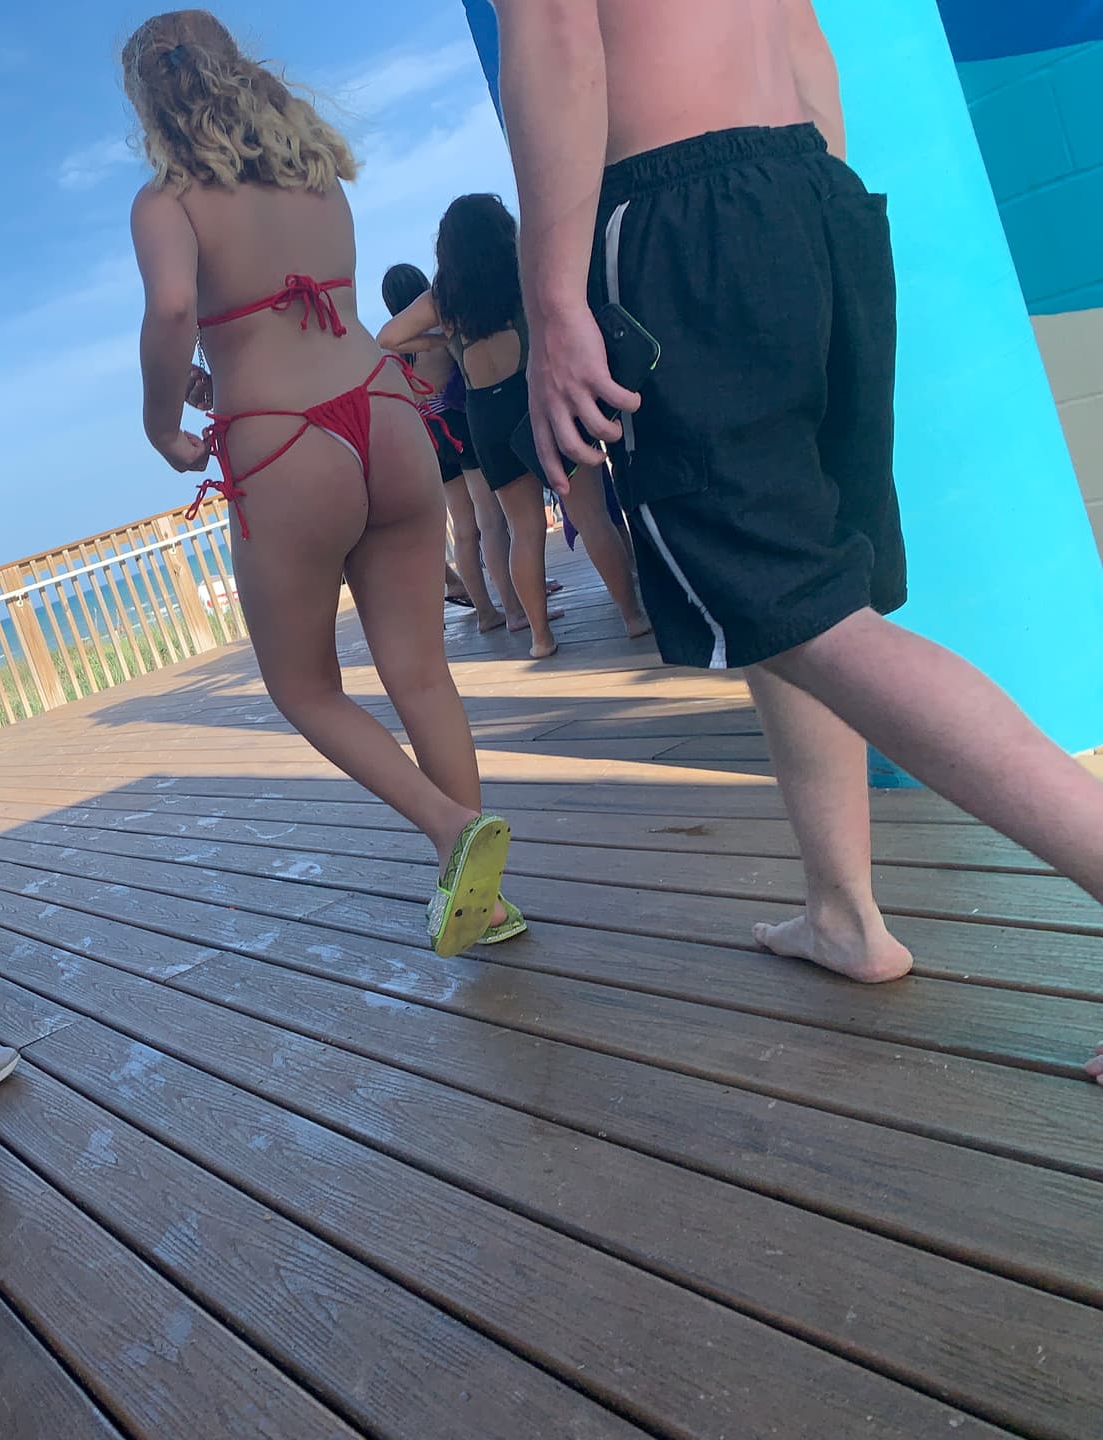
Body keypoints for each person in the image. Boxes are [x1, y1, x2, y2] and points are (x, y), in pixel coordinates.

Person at [491, 0, 1103, 1069]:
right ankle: (843, 912)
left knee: (797, 609)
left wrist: (553, 307)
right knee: (801, 594)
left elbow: (554, 37)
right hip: (811, 185)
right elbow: (805, 38)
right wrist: (802, 215)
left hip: (679, 215)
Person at [125, 9, 518, 955]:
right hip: (384, 413)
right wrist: (226, 360)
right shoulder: (313, 170)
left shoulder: (166, 201)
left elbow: (174, 308)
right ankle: (484, 902)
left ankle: (449, 830)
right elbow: (294, 314)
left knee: (304, 688)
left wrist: (162, 425)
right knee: (420, 671)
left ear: (150, 100)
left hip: (285, 444)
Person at [379, 195, 650, 658]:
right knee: (591, 516)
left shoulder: (445, 297)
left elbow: (388, 338)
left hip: (485, 418)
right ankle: (632, 616)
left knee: (523, 531)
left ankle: (540, 638)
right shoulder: (522, 269)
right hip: (533, 400)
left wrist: (442, 336)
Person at [380, 262, 510, 631]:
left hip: (428, 436)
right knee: (490, 517)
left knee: (464, 528)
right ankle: (514, 603)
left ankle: (485, 611)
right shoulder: (441, 332)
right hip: (458, 425)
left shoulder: (391, 351)